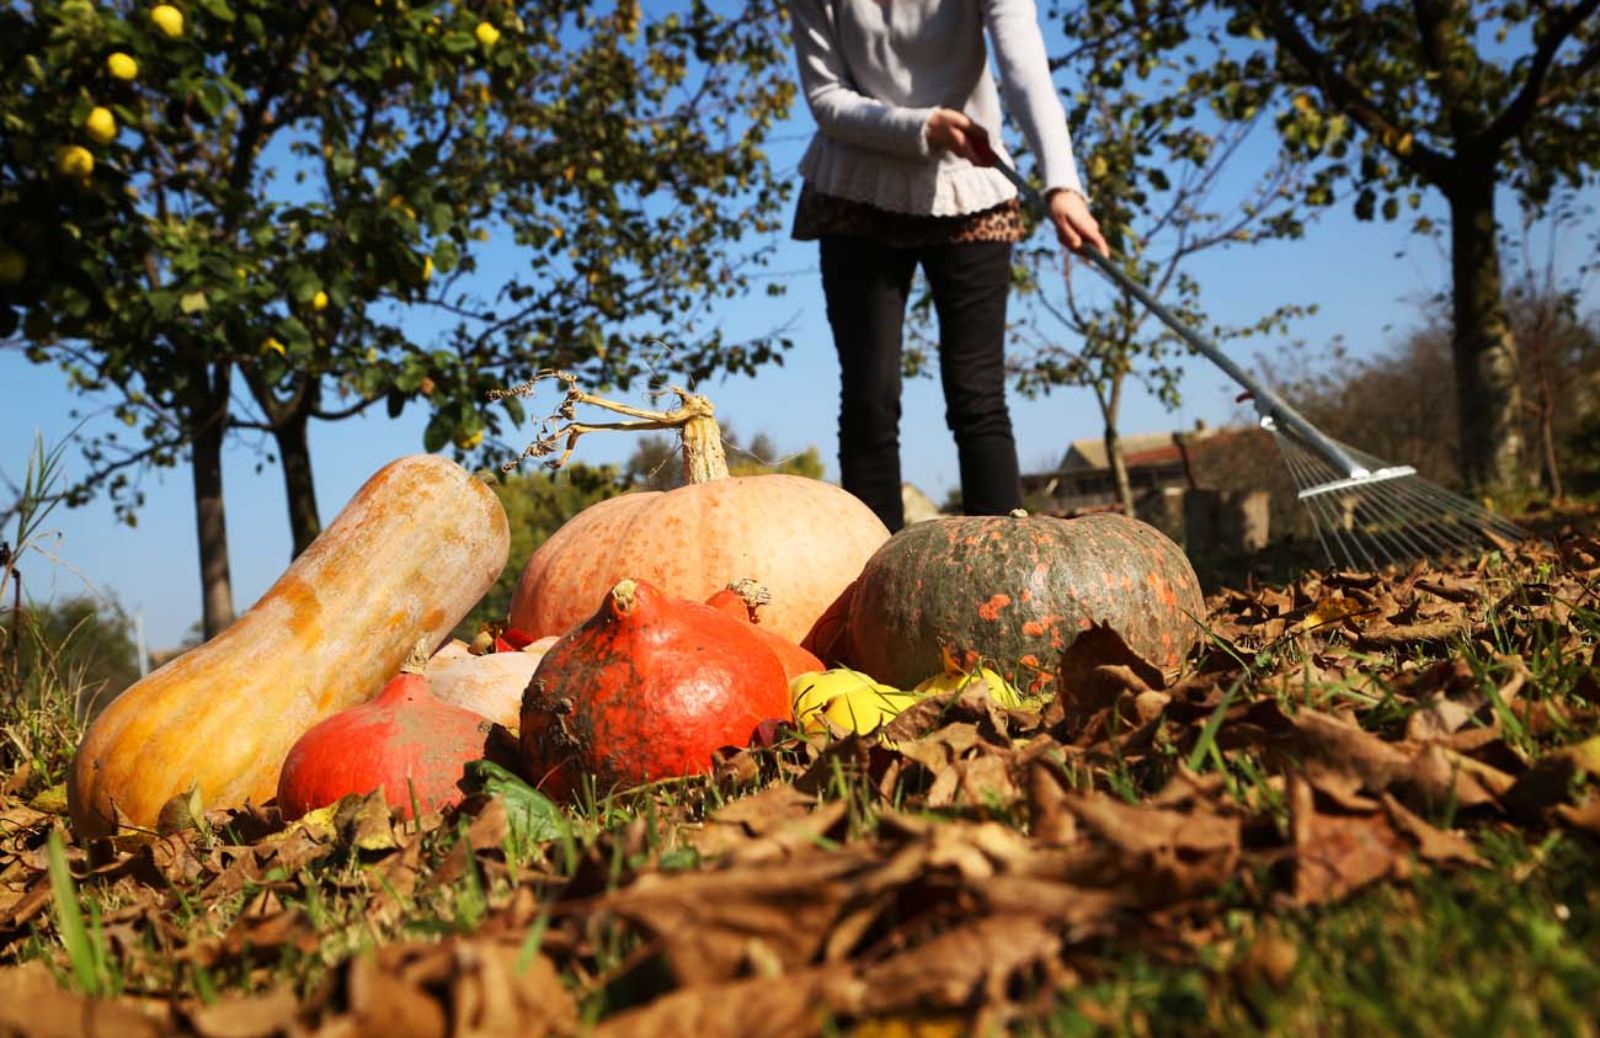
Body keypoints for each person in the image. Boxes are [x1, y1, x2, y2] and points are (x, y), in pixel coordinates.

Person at [787, 0, 1108, 532]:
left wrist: (1062, 183)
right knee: (870, 397)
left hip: (970, 187)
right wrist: (922, 124)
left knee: (977, 396)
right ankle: (869, 583)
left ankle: (1004, 578)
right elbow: (825, 99)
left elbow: (1024, 66)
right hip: (856, 188)